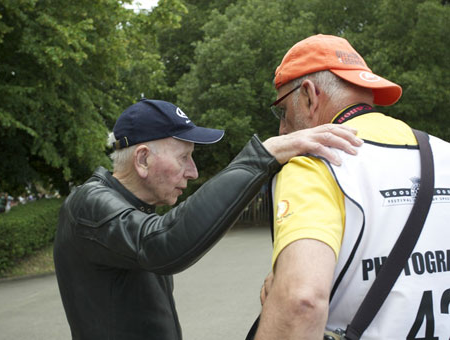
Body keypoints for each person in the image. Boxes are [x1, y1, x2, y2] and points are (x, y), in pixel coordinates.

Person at [53, 98, 362, 340]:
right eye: (184, 157)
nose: (194, 171)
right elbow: (162, 243)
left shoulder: (131, 209)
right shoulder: (88, 206)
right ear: (143, 159)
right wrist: (262, 156)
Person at [254, 34, 450, 339]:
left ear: (308, 95)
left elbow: (301, 303)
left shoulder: (314, 165)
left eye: (282, 110)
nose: (282, 128)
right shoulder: (444, 154)